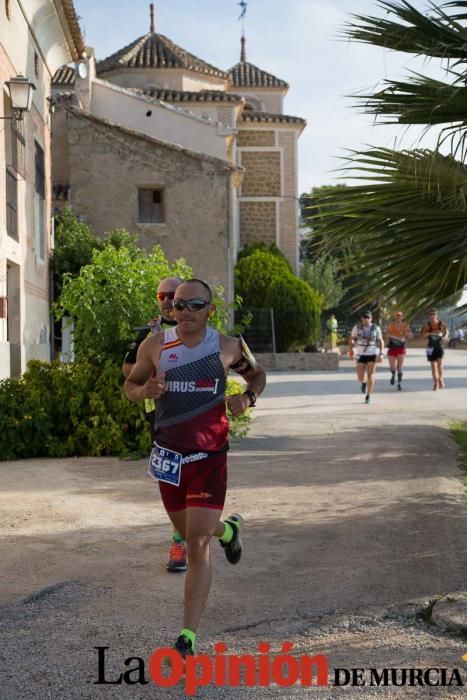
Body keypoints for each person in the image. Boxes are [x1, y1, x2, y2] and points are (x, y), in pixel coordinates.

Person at [124, 278, 266, 659]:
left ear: (210, 310)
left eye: (193, 305)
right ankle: (230, 529)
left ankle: (187, 634)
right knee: (190, 531)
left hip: (209, 456)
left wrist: (246, 399)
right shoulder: (155, 345)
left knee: (196, 540)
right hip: (169, 456)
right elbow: (131, 385)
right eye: (178, 305)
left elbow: (257, 375)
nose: (184, 312)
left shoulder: (228, 347)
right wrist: (144, 392)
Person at [122, 276, 188, 573]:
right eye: (162, 295)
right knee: (171, 481)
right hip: (161, 419)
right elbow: (127, 368)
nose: (167, 300)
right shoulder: (150, 332)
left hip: (194, 418)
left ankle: (190, 539)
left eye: (173, 294)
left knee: (191, 480)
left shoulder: (198, 329)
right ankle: (182, 540)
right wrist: (149, 373)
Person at [349, 310, 384, 404]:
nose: (366, 319)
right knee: (360, 377)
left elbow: (381, 341)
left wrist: (381, 354)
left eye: (368, 318)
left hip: (372, 353)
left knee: (371, 375)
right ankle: (364, 383)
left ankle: (368, 396)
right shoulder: (357, 328)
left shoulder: (376, 328)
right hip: (360, 354)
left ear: (371, 318)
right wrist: (351, 350)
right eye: (364, 318)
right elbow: (351, 339)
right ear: (362, 319)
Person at [384, 311, 413, 391]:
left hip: (401, 348)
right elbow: (386, 335)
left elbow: (410, 336)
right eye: (397, 316)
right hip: (392, 347)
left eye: (399, 316)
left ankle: (399, 383)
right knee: (392, 367)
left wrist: (409, 334)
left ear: (402, 317)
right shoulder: (390, 325)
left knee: (399, 367)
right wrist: (387, 341)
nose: (398, 317)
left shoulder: (405, 326)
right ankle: (393, 375)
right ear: (394, 316)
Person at [422, 309, 449, 390]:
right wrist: (430, 333)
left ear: (437, 315)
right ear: (429, 316)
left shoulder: (441, 323)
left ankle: (441, 379)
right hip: (430, 347)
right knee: (433, 366)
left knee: (440, 364)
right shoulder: (428, 324)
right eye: (431, 314)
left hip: (439, 346)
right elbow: (423, 335)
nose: (432, 316)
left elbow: (446, 331)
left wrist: (445, 337)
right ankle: (435, 383)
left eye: (434, 314)